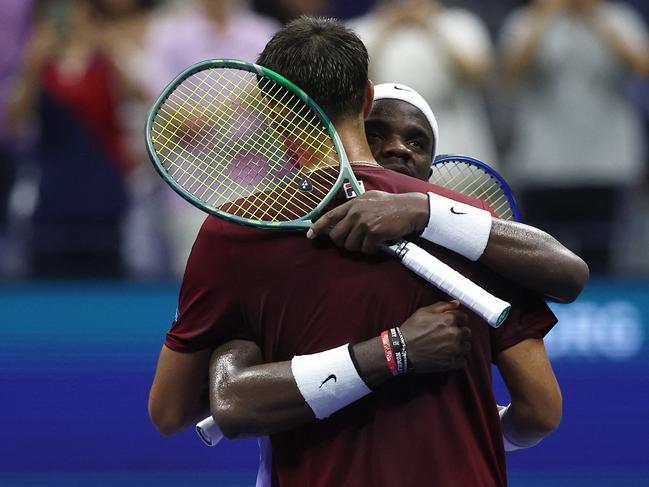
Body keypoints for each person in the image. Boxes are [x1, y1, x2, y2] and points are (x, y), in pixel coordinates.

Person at [149, 17, 586, 486]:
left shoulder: (236, 231)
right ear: (367, 99)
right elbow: (540, 410)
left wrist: (244, 355)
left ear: (273, 113)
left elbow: (170, 410)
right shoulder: (472, 221)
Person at [499, 0, 649, 273]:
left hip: (606, 164)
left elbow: (641, 66)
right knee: (538, 263)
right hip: (542, 165)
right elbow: (511, 72)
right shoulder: (529, 20)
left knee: (603, 261)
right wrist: (548, 15)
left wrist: (596, 18)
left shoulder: (618, 19)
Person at [350, 0, 499, 168]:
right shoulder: (360, 29)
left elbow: (479, 76)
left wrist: (432, 27)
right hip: (387, 156)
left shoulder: (461, 24)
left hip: (460, 154)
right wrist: (385, 30)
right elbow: (353, 83)